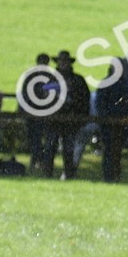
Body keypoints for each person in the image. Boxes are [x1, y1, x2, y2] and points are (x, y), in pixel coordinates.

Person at [96, 37, 128, 183]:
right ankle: (109, 176)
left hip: (119, 120)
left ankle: (113, 175)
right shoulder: (112, 84)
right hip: (111, 120)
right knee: (110, 150)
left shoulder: (125, 82)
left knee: (115, 150)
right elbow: (101, 102)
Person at [43, 50, 90, 180]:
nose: (63, 63)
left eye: (65, 61)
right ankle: (48, 174)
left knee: (68, 149)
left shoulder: (77, 80)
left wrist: (80, 117)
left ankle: (69, 174)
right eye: (61, 61)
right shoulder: (49, 79)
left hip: (70, 120)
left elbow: (84, 100)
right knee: (50, 147)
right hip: (53, 120)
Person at [20, 52, 51, 171]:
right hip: (34, 111)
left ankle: (37, 161)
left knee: (36, 138)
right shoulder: (33, 76)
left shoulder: (37, 76)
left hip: (40, 112)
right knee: (34, 138)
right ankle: (37, 160)